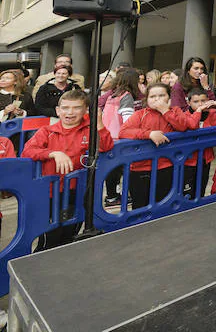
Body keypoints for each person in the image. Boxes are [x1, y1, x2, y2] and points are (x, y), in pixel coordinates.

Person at [22, 89, 114, 250]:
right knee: (49, 238)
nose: (70, 112)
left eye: (76, 108)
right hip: (49, 193)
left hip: (76, 193)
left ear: (86, 110)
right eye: (65, 108)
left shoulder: (89, 130)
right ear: (58, 110)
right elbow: (27, 152)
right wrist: (52, 153)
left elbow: (106, 146)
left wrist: (99, 123)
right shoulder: (47, 131)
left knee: (70, 234)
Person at [118, 83, 198, 208]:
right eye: (153, 96)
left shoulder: (175, 111)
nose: (157, 99)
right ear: (147, 99)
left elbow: (182, 126)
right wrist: (148, 134)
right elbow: (123, 132)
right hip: (140, 168)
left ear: (169, 98)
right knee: (140, 204)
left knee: (163, 203)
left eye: (162, 95)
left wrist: (165, 111)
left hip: (168, 165)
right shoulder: (140, 114)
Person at [101, 68, 143, 207]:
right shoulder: (126, 96)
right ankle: (114, 197)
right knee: (120, 169)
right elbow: (127, 119)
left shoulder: (112, 95)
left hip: (108, 136)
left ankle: (111, 196)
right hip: (120, 138)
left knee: (113, 170)